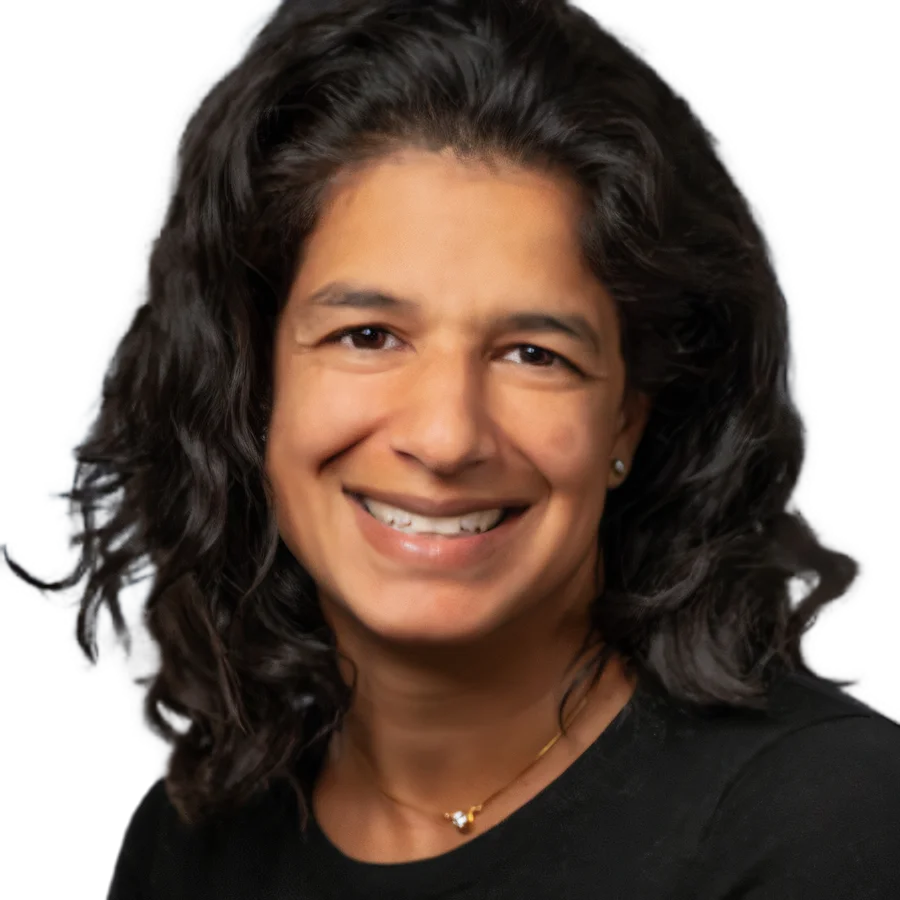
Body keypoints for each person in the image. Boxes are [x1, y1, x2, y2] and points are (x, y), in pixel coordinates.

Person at [6, 0, 899, 897]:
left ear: (627, 420)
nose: (445, 437)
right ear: (253, 386)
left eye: (534, 354)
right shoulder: (194, 845)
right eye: (367, 336)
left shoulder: (823, 826)